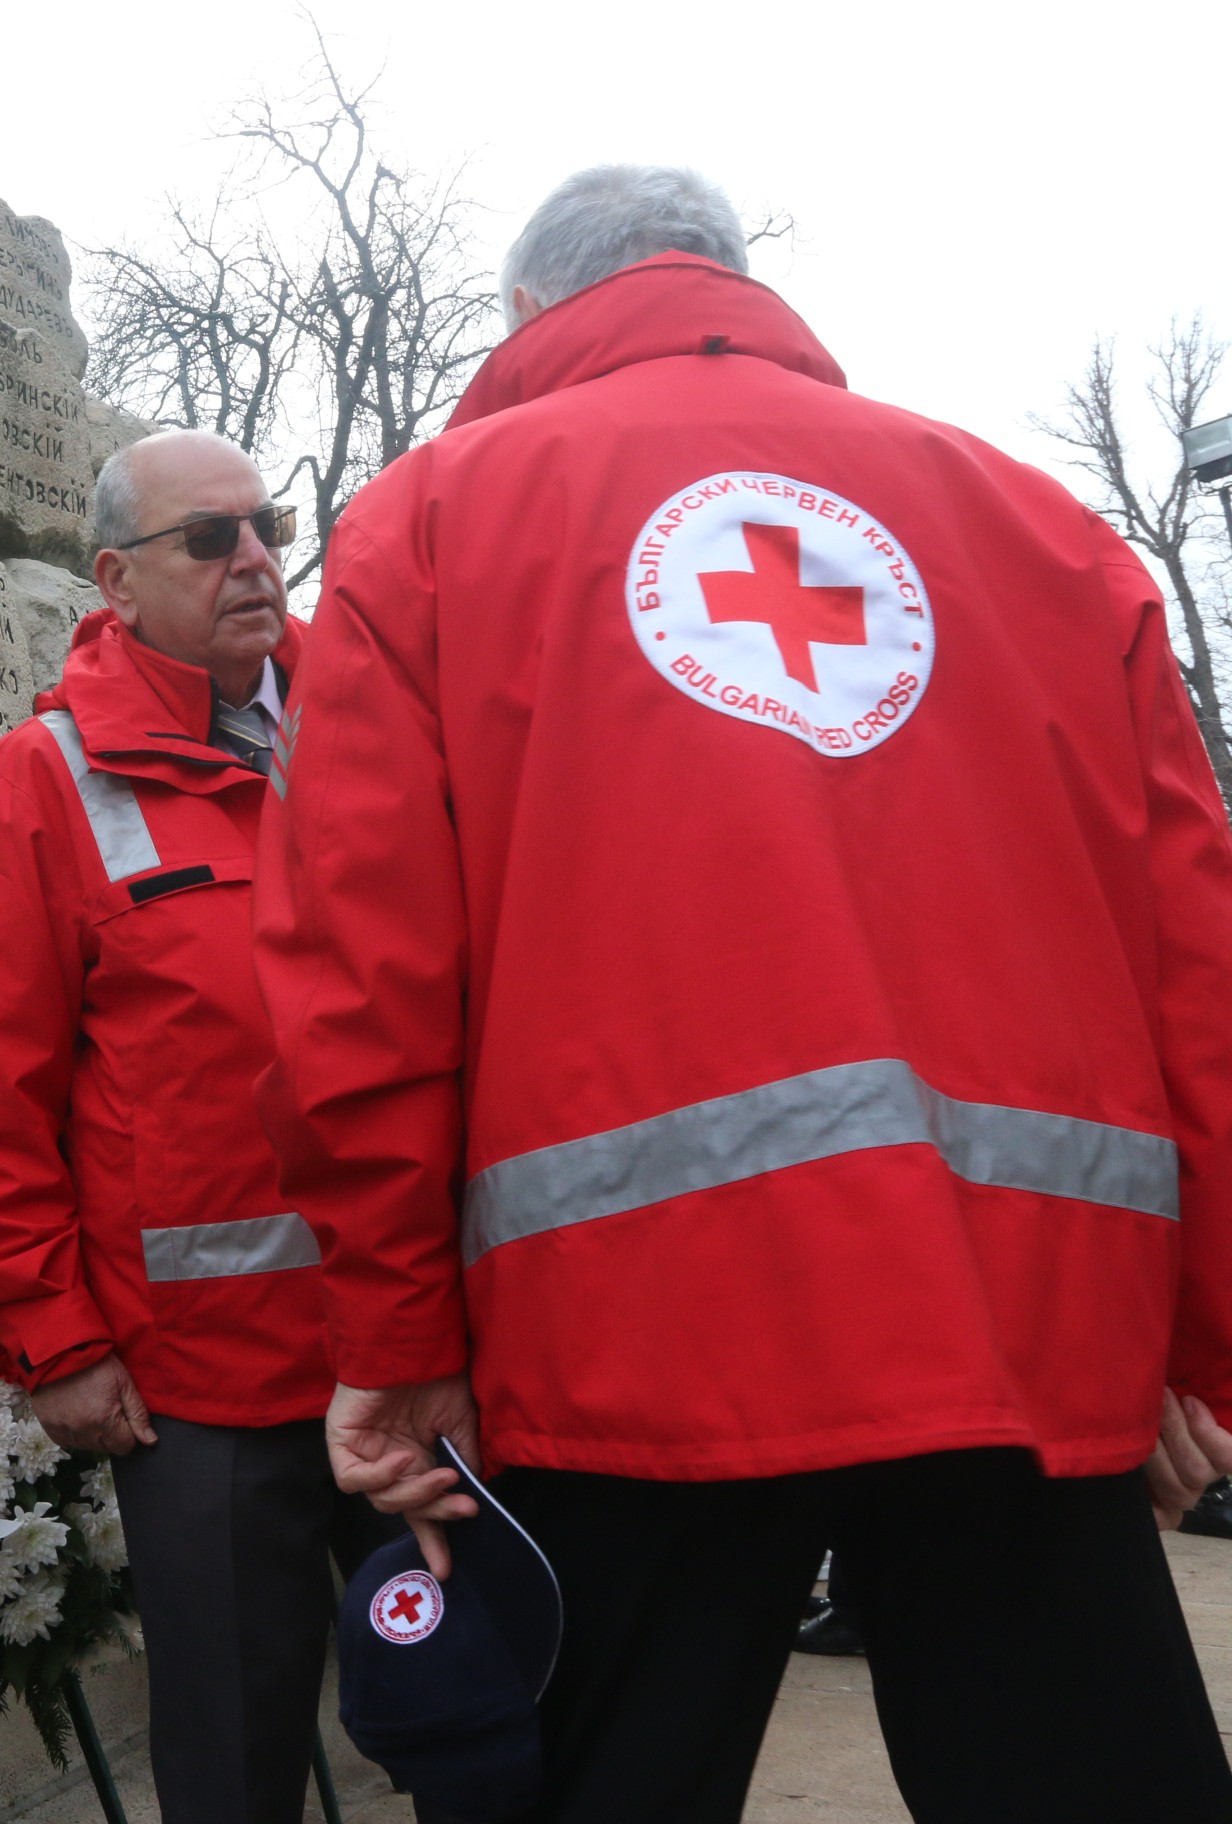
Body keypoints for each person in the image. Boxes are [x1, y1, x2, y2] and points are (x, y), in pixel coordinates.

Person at [253, 164, 1232, 1823]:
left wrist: (399, 1337)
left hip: (625, 1337)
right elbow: (1195, 964)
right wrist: (1196, 1346)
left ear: (528, 312)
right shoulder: (1049, 533)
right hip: (1018, 1319)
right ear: (727, 275)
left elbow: (362, 973)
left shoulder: (431, 523)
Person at [0, 430, 371, 1824]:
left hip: (412, 1344)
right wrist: (56, 1339)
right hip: (210, 1391)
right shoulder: (37, 784)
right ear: (116, 581)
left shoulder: (369, 737)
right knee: (236, 1767)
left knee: (487, 1720)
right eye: (211, 538)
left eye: (270, 526)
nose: (256, 560)